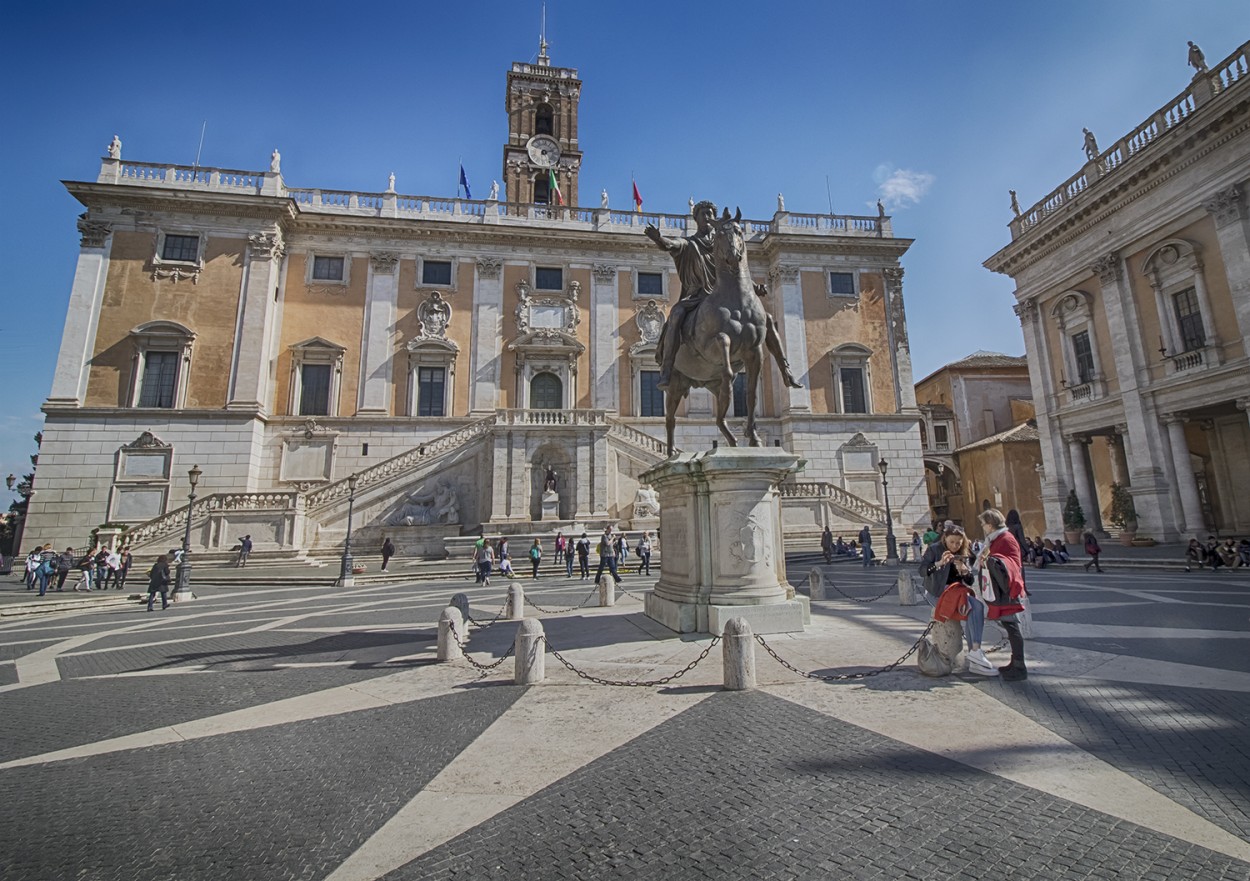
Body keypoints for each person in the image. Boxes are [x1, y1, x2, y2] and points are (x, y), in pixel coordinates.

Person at [919, 523, 993, 675]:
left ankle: (975, 650)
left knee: (977, 607)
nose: (954, 545)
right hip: (938, 592)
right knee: (970, 607)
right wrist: (939, 563)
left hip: (958, 592)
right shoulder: (934, 549)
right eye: (951, 542)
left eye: (958, 542)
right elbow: (922, 571)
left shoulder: (965, 552)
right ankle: (975, 653)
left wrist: (965, 571)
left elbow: (970, 581)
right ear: (945, 539)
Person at [976, 508, 1028, 681]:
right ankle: (1014, 662)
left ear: (990, 525)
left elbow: (1010, 563)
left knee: (1012, 628)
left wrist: (989, 559)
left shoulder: (1005, 538)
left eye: (983, 524)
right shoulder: (996, 539)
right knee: (1009, 627)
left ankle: (1020, 667)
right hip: (1001, 589)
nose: (983, 527)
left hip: (1008, 589)